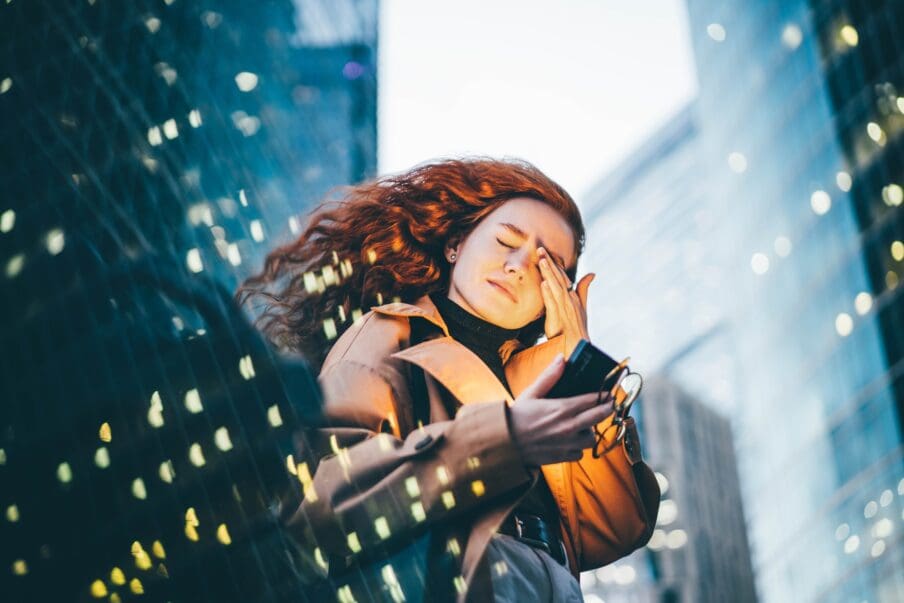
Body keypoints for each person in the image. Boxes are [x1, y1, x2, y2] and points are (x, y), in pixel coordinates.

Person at [237, 157, 660, 602]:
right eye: (505, 241)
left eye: (547, 265)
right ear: (457, 243)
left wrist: (575, 361)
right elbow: (325, 501)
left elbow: (614, 530)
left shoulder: (539, 375)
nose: (518, 265)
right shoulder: (390, 332)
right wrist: (500, 441)